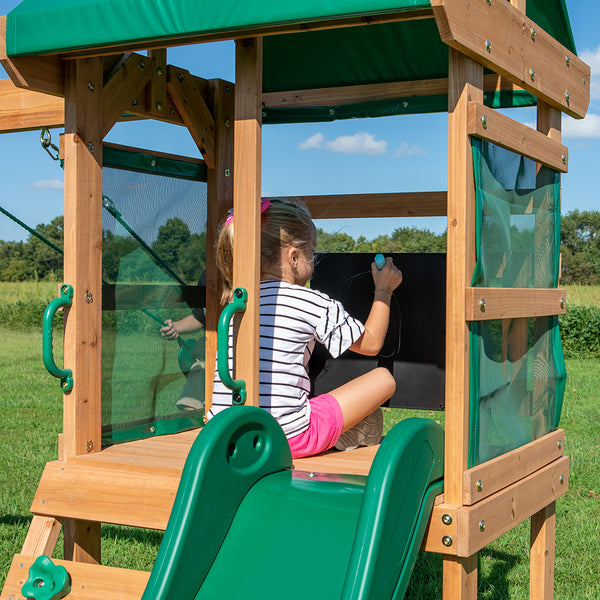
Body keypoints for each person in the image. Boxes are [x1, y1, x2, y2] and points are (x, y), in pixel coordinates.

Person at [209, 198, 403, 459]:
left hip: (224, 436)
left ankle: (344, 430)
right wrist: (384, 289)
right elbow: (371, 343)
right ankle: (344, 431)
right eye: (311, 251)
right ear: (294, 257)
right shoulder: (309, 302)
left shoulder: (236, 304)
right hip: (285, 439)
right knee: (384, 379)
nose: (313, 258)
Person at [161, 307, 206, 411]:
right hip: (207, 358)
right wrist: (173, 328)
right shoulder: (200, 364)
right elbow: (201, 316)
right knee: (190, 404)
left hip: (231, 360)